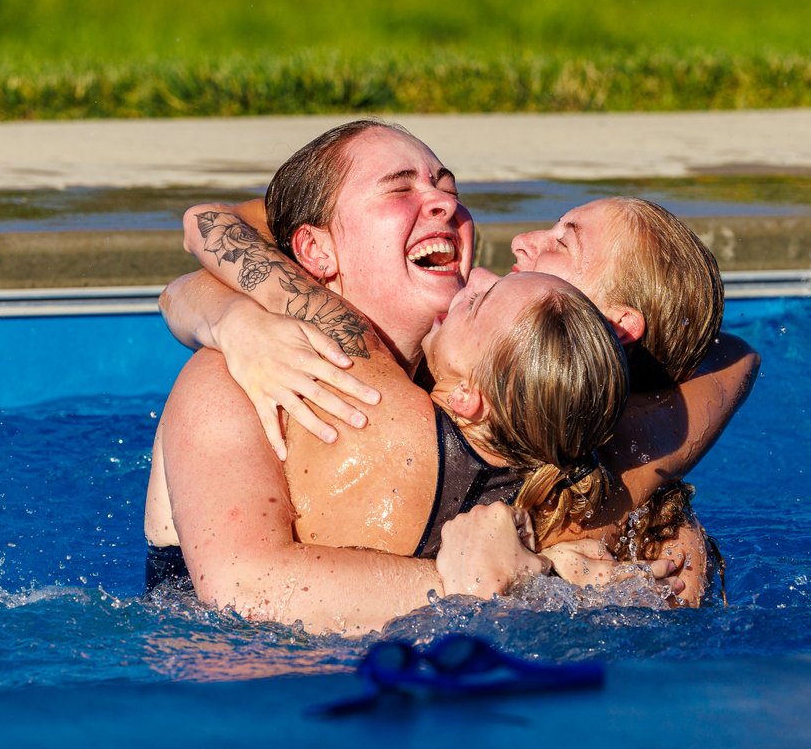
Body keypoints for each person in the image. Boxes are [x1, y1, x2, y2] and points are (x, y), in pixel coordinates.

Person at [151, 120, 757, 625]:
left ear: (614, 332)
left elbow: (733, 359)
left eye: (446, 187)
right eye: (399, 190)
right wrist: (229, 317)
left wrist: (542, 574)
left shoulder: (592, 464)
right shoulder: (246, 380)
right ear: (314, 250)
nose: (514, 249)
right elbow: (241, 590)